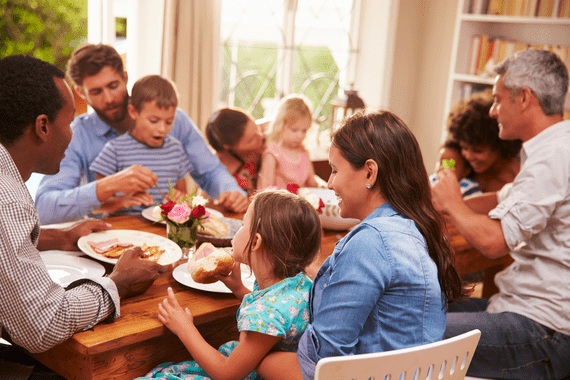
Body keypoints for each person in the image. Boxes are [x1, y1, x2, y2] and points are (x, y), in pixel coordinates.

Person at [257, 111, 466, 380]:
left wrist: (259, 359)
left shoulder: (371, 242)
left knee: (251, 356)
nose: (330, 183)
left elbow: (324, 362)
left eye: (334, 170)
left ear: (370, 172)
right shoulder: (412, 227)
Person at [0, 55, 166, 378]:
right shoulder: (7, 200)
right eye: (70, 121)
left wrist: (60, 237)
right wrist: (117, 284)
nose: (73, 134)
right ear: (43, 126)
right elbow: (43, 324)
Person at [432, 48, 570, 379]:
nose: (493, 111)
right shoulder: (553, 147)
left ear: (524, 98)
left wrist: (452, 203)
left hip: (544, 333)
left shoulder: (554, 156)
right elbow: (498, 199)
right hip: (524, 314)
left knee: (406, 330)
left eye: (498, 99)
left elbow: (495, 242)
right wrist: (431, 202)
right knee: (409, 309)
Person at [34, 44, 248, 225]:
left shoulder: (175, 120)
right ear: (81, 92)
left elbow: (210, 171)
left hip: (171, 233)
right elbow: (43, 208)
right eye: (96, 92)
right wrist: (107, 186)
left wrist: (232, 191)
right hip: (112, 238)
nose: (108, 99)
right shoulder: (78, 134)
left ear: (125, 78)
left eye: (113, 85)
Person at [137, 189, 321, 379]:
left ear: (255, 242)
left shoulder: (268, 313)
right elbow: (279, 317)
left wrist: (185, 328)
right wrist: (239, 288)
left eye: (243, 224)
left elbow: (226, 374)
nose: (238, 230)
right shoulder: (298, 283)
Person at [90, 75, 192, 216]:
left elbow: (184, 196)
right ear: (133, 112)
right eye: (154, 120)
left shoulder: (176, 149)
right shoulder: (115, 149)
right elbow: (94, 205)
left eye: (169, 122)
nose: (162, 129)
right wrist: (123, 201)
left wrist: (180, 199)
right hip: (125, 229)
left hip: (162, 229)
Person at [447, 90, 522, 192]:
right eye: (464, 147)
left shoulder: (521, 173)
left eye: (478, 150)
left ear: (500, 146)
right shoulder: (466, 172)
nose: (468, 156)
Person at [257, 94, 325, 190]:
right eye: (294, 130)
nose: (300, 135)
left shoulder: (303, 152)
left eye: (304, 131)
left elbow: (312, 181)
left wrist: (321, 184)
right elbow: (266, 189)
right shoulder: (273, 153)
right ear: (280, 125)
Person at [205, 107, 266, 196]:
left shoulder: (273, 129)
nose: (261, 136)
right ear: (229, 147)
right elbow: (205, 202)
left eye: (257, 128)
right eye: (251, 140)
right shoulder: (219, 165)